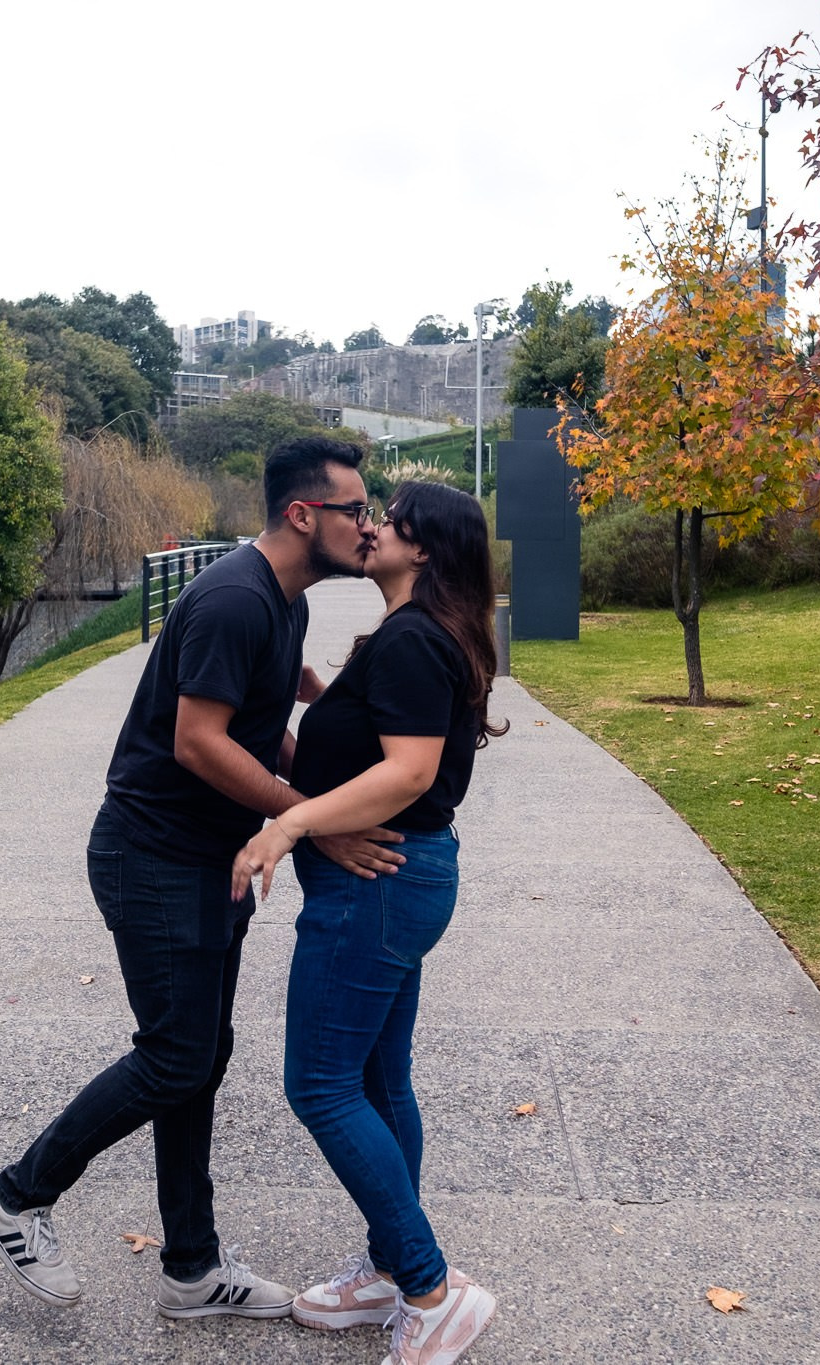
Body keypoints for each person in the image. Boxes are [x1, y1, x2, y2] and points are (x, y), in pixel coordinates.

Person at [0, 435, 405, 1321]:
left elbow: (259, 728)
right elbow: (199, 742)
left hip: (206, 858)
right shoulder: (235, 599)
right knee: (175, 1055)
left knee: (200, 1057)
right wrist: (306, 822)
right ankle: (18, 1195)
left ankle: (192, 1267)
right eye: (356, 510)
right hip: (153, 855)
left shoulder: (285, 601)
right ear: (303, 514)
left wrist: (320, 806)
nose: (368, 525)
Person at [232, 481, 508, 1365]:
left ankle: (430, 1289)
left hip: (377, 887)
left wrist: (291, 823)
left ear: (422, 548)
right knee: (382, 1083)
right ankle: (392, 1270)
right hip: (398, 883)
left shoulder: (415, 638)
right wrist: (322, 701)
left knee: (320, 1084)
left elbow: (411, 771)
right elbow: (385, 743)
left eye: (390, 519)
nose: (373, 527)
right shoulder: (413, 634)